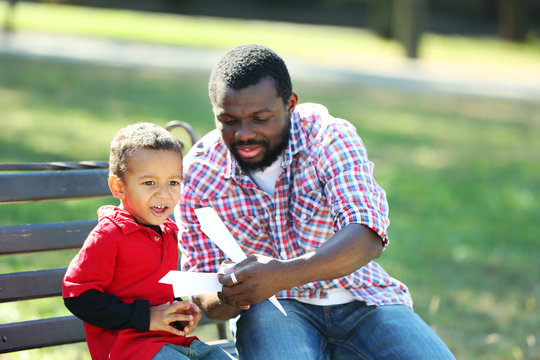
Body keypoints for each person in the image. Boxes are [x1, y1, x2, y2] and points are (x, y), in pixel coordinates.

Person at [175, 44, 455, 359]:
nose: (244, 134)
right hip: (273, 311)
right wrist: (228, 295)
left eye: (261, 118)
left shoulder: (327, 136)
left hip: (362, 297)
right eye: (228, 120)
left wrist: (282, 274)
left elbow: (366, 235)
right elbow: (202, 285)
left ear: (290, 104)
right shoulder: (199, 172)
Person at [62, 123, 234, 360]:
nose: (164, 194)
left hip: (173, 342)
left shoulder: (167, 233)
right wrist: (146, 317)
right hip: (128, 349)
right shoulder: (110, 234)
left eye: (173, 182)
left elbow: (156, 290)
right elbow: (78, 296)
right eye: (149, 183)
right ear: (118, 187)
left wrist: (178, 310)